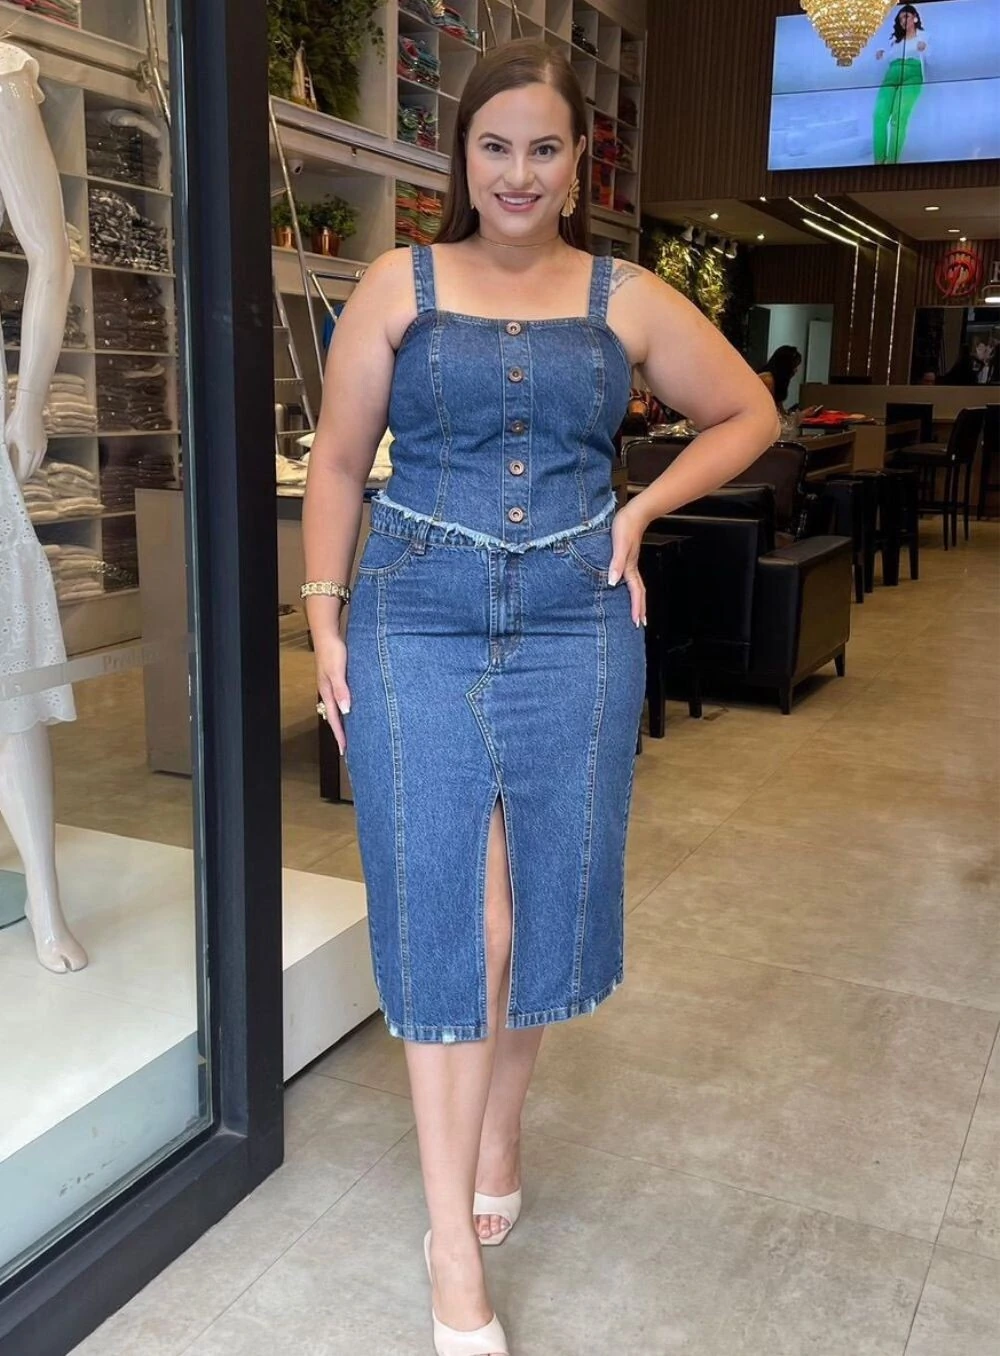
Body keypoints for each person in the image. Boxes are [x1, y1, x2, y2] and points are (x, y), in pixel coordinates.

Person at [302, 39, 777, 1356]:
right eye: (495, 146)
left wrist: (640, 509)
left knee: (530, 920)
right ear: (461, 155)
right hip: (414, 616)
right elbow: (338, 463)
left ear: (578, 166)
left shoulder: (626, 295)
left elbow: (748, 414)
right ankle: (449, 1244)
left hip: (576, 620)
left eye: (545, 148)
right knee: (456, 916)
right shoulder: (395, 283)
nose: (518, 173)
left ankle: (501, 1128)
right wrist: (324, 616)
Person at [873, 4, 927, 165]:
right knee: (879, 115)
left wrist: (925, 49)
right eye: (901, 18)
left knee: (898, 116)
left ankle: (891, 162)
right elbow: (887, 57)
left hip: (912, 73)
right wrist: (881, 55)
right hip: (892, 73)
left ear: (915, 18)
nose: (903, 20)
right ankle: (878, 162)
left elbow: (934, 57)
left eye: (906, 16)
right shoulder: (894, 40)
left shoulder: (925, 36)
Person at [757, 344, 802, 415]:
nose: (796, 370)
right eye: (794, 366)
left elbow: (781, 413)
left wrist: (803, 414)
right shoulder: (767, 380)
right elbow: (773, 414)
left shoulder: (776, 382)